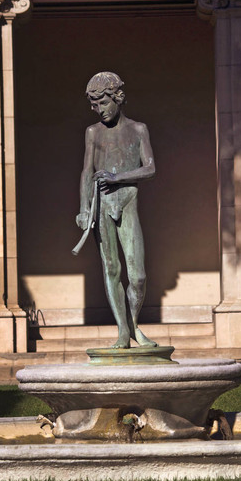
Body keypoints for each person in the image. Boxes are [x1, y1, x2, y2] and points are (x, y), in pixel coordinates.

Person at [76, 71, 157, 349]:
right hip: (102, 207)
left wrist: (116, 177)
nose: (99, 110)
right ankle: (123, 331)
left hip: (127, 202)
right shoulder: (93, 133)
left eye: (103, 103)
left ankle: (133, 324)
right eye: (94, 105)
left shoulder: (138, 130)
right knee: (111, 268)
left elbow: (150, 168)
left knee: (138, 275)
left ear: (118, 98)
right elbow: (87, 171)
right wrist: (83, 208)